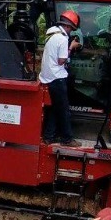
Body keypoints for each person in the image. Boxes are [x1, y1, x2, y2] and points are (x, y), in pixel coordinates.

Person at [40, 9, 81, 145]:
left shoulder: (51, 33)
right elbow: (61, 61)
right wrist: (71, 47)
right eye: (72, 29)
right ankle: (67, 139)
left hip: (47, 77)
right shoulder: (63, 39)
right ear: (68, 26)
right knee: (63, 110)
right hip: (57, 78)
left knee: (53, 108)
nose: (71, 32)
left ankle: (48, 136)